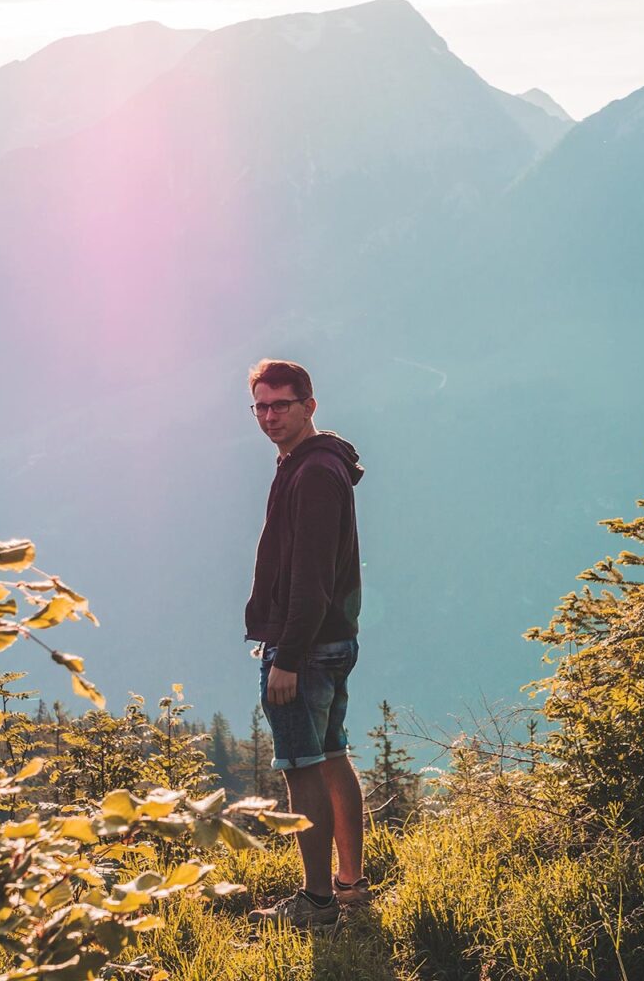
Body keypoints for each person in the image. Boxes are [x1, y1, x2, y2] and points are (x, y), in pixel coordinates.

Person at [244, 358, 370, 928]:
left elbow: (311, 575)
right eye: (261, 406)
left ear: (309, 406)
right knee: (333, 755)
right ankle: (349, 885)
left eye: (281, 405)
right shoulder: (311, 462)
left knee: (302, 766)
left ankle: (317, 902)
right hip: (329, 639)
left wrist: (287, 655)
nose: (270, 417)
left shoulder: (314, 472)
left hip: (309, 648)